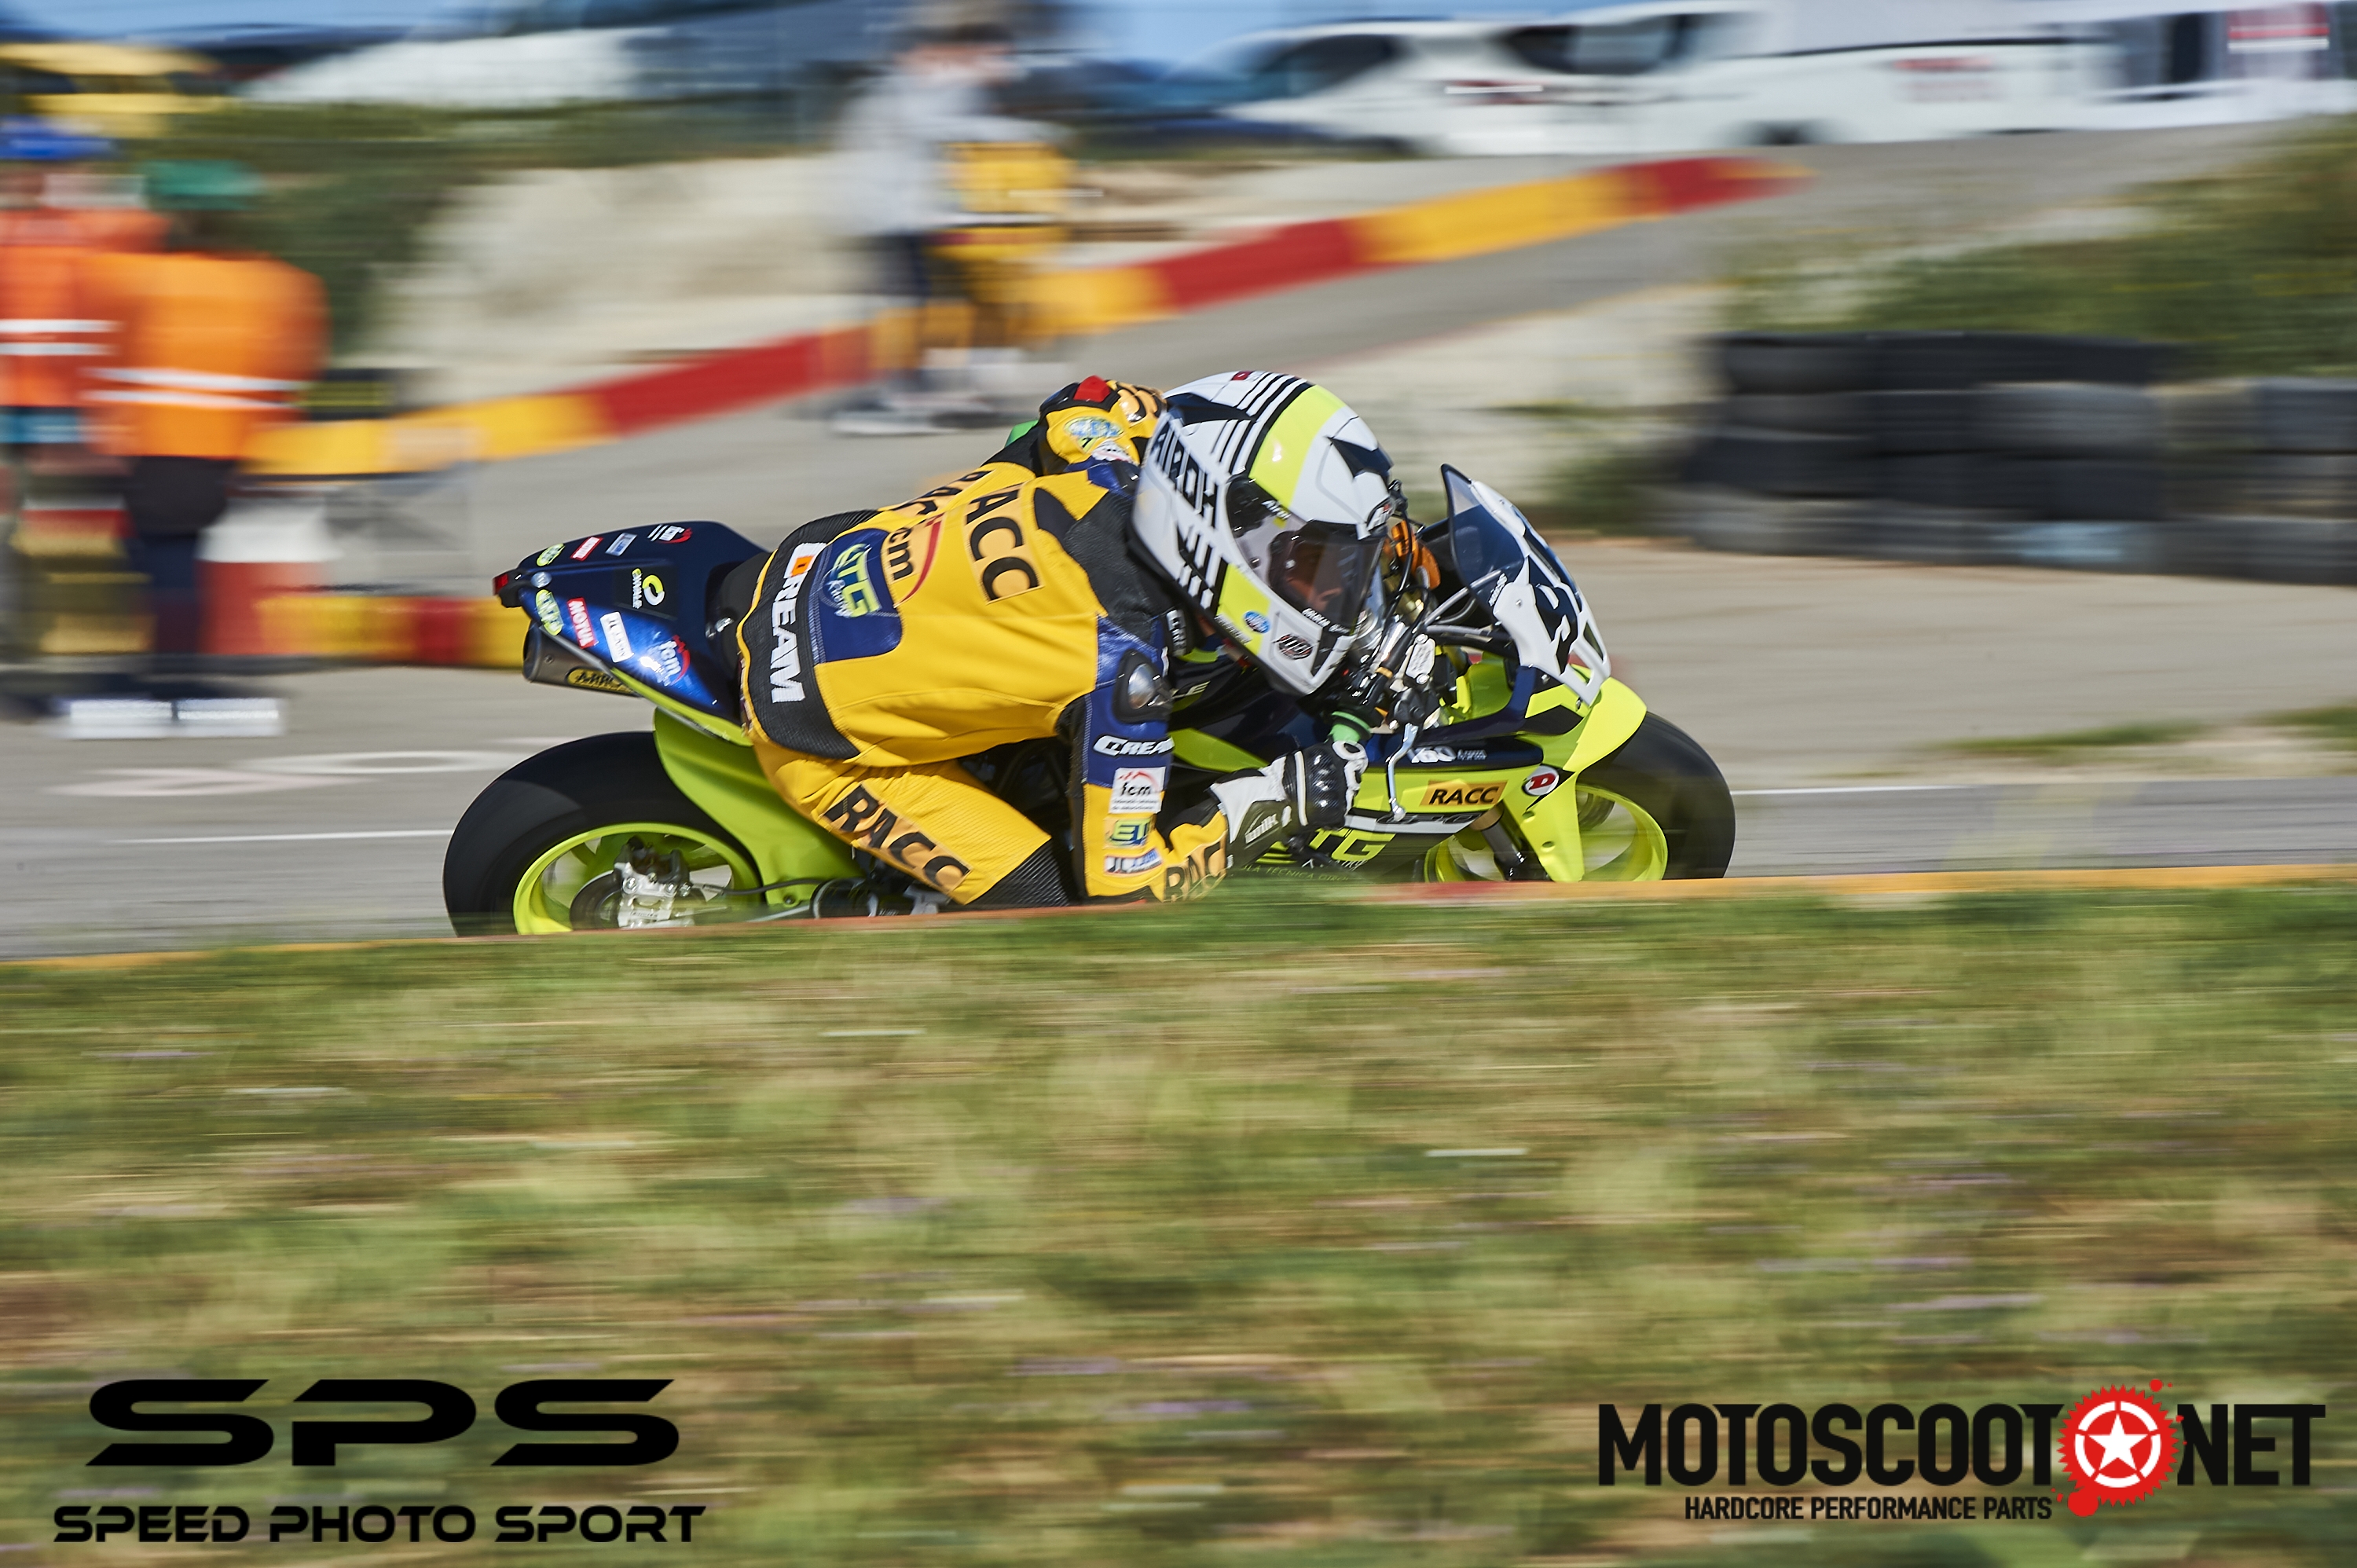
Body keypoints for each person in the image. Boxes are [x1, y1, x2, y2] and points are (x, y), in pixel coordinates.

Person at [735, 370, 1400, 910]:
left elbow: (1083, 399)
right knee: (1058, 913)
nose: (1329, 594)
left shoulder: (1119, 460)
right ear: (1221, 523)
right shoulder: (1121, 667)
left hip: (824, 558)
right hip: (819, 737)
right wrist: (1276, 799)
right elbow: (1128, 892)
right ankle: (889, 915)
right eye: (1315, 567)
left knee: (1028, 455)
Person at [77, 160, 323, 662]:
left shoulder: (132, 277)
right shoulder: (283, 285)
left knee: (164, 556)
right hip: (236, 451)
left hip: (158, 445)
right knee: (180, 552)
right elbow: (293, 373)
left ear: (177, 216)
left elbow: (98, 358)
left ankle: (175, 667)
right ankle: (177, 661)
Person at [830, 20, 1057, 436]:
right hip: (893, 221)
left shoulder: (928, 91)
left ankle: (936, 387)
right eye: (929, 56)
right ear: (907, 58)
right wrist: (1025, 132)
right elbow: (939, 130)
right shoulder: (898, 94)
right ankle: (908, 392)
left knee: (930, 304)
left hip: (918, 220)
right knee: (910, 306)